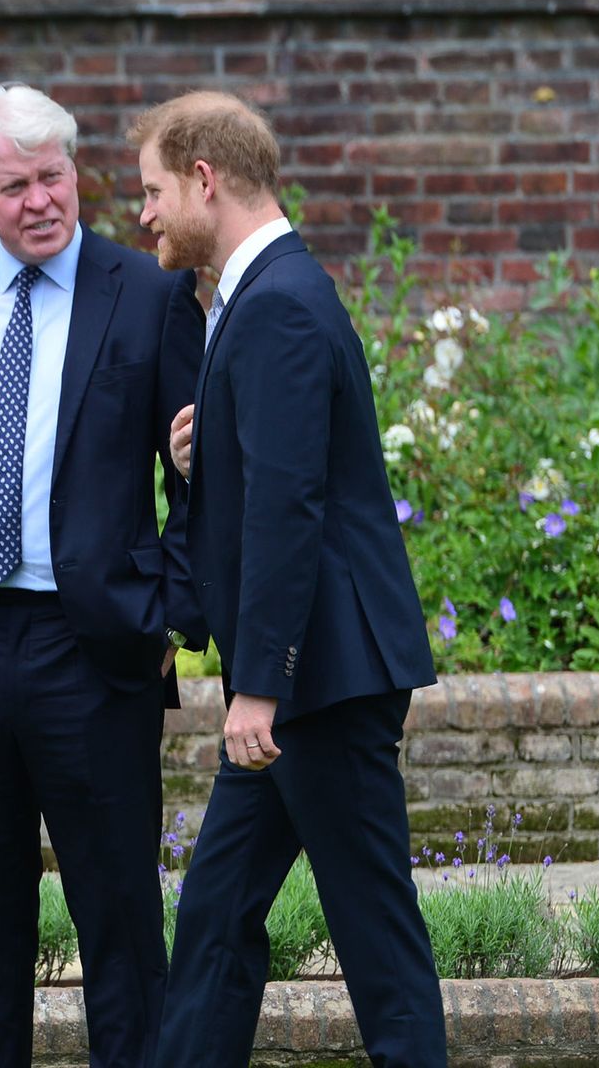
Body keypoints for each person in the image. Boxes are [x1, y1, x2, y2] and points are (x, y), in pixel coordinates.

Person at [0, 83, 205, 1068]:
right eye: (14, 186)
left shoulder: (144, 294)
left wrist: (167, 618)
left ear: (76, 172)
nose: (39, 202)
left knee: (121, 928)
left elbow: (200, 476)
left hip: (95, 653)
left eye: (52, 177)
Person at [134, 91, 448, 1067]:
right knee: (218, 919)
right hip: (302, 682)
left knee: (375, 938)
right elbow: (273, 475)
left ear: (203, 178)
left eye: (150, 191)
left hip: (320, 684)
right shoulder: (258, 299)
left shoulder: (278, 306)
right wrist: (199, 461)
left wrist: (258, 681)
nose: (142, 215)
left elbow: (291, 509)